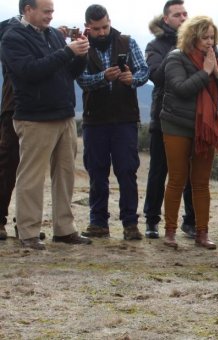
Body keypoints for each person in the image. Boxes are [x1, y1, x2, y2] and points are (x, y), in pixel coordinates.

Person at [0, 0, 92, 250]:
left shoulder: (52, 35)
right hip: (34, 118)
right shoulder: (12, 37)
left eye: (52, 11)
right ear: (28, 10)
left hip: (64, 115)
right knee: (31, 177)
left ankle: (64, 230)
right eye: (46, 11)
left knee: (65, 176)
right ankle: (28, 232)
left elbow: (66, 73)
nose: (51, 16)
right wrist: (67, 52)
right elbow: (29, 71)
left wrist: (81, 55)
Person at [75, 4, 149, 241]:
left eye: (105, 26)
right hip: (94, 120)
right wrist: (102, 77)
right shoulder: (81, 47)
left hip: (124, 119)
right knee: (96, 172)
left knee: (127, 171)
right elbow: (82, 81)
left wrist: (132, 78)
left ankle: (130, 224)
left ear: (109, 21)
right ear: (88, 27)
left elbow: (144, 71)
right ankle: (98, 222)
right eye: (96, 29)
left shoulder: (127, 42)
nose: (102, 32)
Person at [160, 15, 218, 250]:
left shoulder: (216, 59)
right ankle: (170, 232)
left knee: (201, 183)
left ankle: (202, 233)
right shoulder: (175, 58)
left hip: (205, 129)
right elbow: (181, 89)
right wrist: (205, 72)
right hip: (177, 126)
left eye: (212, 37)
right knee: (177, 179)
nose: (210, 42)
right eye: (205, 37)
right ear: (193, 37)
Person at [143, 0, 198, 239]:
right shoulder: (155, 45)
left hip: (194, 118)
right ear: (166, 19)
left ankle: (191, 221)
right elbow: (155, 75)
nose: (183, 18)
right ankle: (152, 221)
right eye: (177, 15)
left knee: (191, 173)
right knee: (159, 171)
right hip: (163, 117)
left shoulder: (200, 42)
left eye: (185, 13)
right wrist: (178, 52)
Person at [0, 15, 21, 241]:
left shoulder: (45, 35)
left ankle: (25, 222)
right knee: (7, 165)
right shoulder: (12, 30)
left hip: (38, 110)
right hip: (12, 108)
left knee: (28, 171)